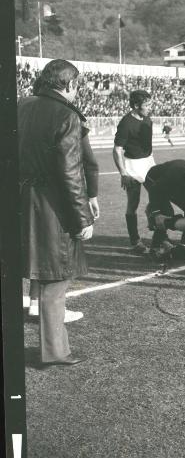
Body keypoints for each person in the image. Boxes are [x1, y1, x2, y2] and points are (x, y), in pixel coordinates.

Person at [19, 59, 94, 367]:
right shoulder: (66, 115)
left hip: (17, 200)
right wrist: (82, 219)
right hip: (50, 206)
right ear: (68, 85)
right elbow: (70, 174)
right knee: (55, 279)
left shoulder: (19, 105)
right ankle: (55, 351)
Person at [26, 121, 100, 323]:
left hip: (26, 192)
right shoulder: (68, 116)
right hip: (56, 196)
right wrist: (90, 201)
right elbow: (85, 165)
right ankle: (52, 313)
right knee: (58, 253)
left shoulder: (25, 107)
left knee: (40, 247)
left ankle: (34, 302)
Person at [113, 89, 155, 255]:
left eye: (150, 104)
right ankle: (135, 241)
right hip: (132, 166)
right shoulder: (126, 123)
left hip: (148, 163)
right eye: (147, 105)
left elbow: (147, 146)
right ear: (136, 105)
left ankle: (160, 237)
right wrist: (123, 173)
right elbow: (117, 150)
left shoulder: (147, 119)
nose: (150, 108)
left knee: (158, 199)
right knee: (133, 203)